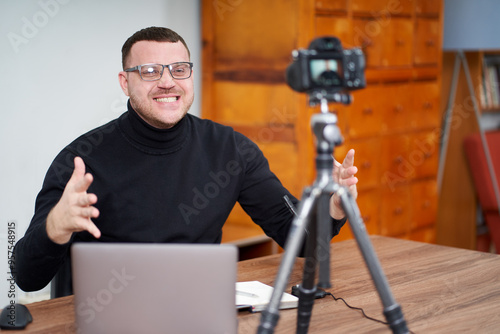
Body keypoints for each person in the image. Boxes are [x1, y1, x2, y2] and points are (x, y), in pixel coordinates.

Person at [12, 27, 358, 295]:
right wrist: (55, 226)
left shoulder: (231, 149)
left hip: (196, 309)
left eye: (179, 69)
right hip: (108, 316)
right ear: (125, 82)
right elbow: (26, 278)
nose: (167, 82)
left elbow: (296, 236)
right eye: (149, 71)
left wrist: (334, 208)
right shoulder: (80, 161)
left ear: (190, 76)